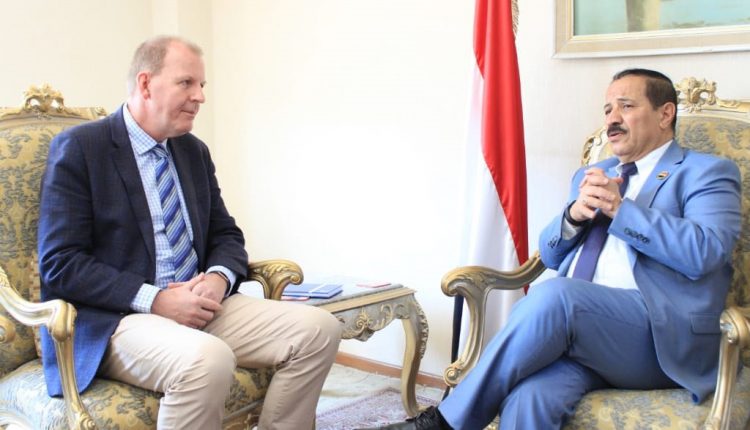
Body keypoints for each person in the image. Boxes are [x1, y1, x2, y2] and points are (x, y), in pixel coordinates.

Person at [368, 69, 742, 429]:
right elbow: (548, 256)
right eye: (608, 109)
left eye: (626, 106)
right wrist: (574, 217)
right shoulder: (592, 174)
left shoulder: (705, 171)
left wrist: (621, 210)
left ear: (665, 114)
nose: (612, 119)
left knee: (558, 295)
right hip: (583, 336)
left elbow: (706, 252)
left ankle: (446, 422)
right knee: (529, 398)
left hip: (659, 338)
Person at [38, 35, 342, 430]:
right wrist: (156, 299)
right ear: (146, 84)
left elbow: (226, 234)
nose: (200, 96)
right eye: (186, 83)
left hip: (200, 303)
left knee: (319, 330)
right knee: (208, 360)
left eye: (201, 85)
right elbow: (61, 264)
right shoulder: (81, 148)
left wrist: (218, 278)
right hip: (117, 317)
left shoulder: (192, 151)